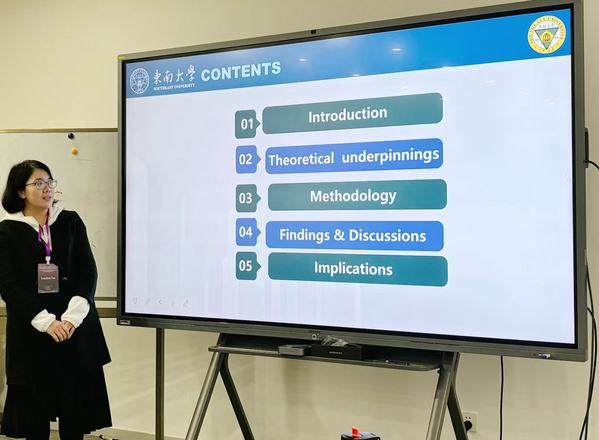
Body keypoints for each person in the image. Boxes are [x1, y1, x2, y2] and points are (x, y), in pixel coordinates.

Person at [0, 160, 111, 440]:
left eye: (50, 182)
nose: (47, 188)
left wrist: (71, 318)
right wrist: (47, 322)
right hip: (33, 334)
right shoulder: (7, 231)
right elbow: (8, 284)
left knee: (75, 420)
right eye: (38, 183)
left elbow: (88, 271)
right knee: (35, 422)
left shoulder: (70, 221)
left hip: (74, 331)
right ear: (21, 191)